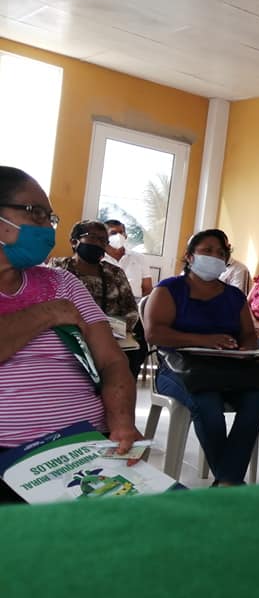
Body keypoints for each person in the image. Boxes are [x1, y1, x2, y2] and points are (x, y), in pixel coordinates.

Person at [0, 167, 139, 501]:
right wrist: (47, 313)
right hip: (7, 456)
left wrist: (121, 422)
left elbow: (111, 360)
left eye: (50, 218)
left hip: (85, 445)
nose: (48, 228)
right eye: (35, 213)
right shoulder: (58, 300)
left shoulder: (63, 283)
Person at [143, 229, 259, 486]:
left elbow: (248, 334)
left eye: (221, 253)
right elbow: (154, 333)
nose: (215, 256)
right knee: (207, 404)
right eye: (207, 251)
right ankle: (231, 481)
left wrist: (243, 349)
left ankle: (226, 481)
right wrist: (204, 340)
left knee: (256, 400)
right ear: (190, 257)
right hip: (178, 369)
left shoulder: (234, 296)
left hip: (226, 369)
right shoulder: (169, 289)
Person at [48, 220, 145, 379]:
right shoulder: (57, 269)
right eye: (93, 238)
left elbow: (131, 311)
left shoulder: (115, 273)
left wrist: (108, 329)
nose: (99, 244)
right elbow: (47, 307)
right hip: (68, 339)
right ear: (74, 242)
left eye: (103, 240)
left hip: (111, 339)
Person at [103, 219, 153, 299]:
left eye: (121, 232)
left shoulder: (140, 258)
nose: (119, 236)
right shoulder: (98, 259)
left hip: (135, 303)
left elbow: (148, 290)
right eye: (113, 233)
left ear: (126, 236)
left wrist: (137, 304)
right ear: (104, 237)